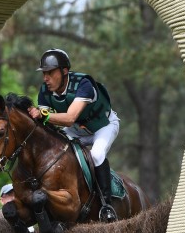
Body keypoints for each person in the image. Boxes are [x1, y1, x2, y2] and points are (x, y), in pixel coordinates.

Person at [27, 48, 121, 222]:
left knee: (96, 154)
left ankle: (106, 206)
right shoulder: (45, 91)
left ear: (64, 71)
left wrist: (43, 115)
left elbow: (69, 118)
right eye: (44, 73)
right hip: (76, 130)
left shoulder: (84, 84)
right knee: (58, 153)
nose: (45, 78)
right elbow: (44, 121)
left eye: (50, 73)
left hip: (102, 126)